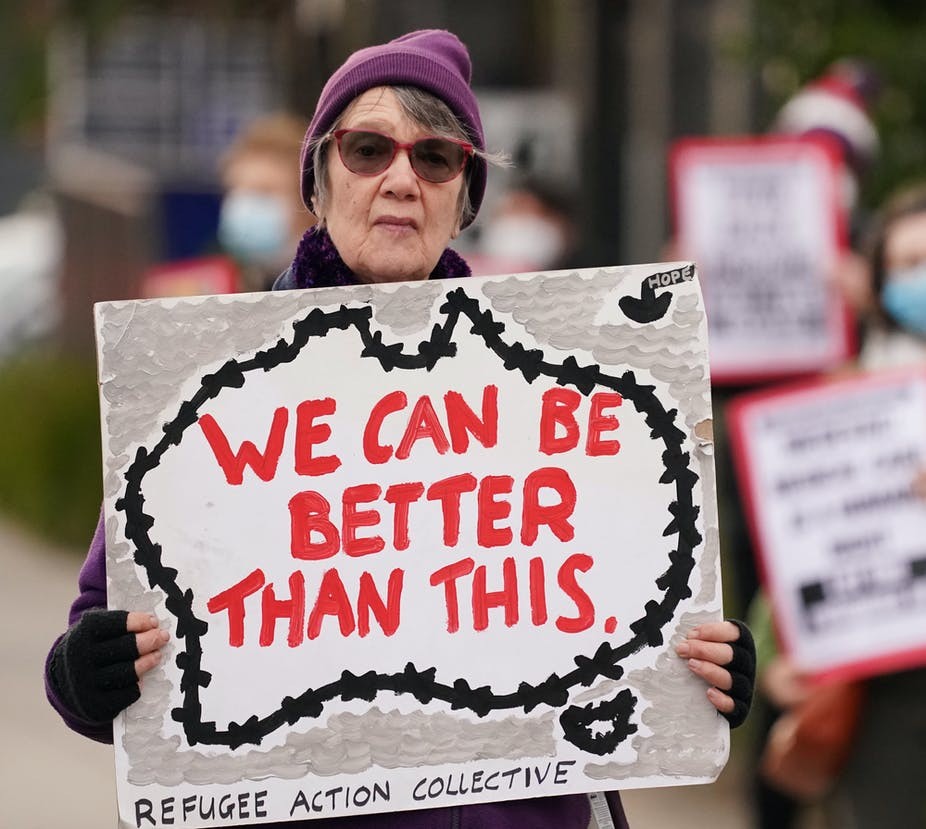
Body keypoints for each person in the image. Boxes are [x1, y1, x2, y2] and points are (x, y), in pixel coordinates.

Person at [44, 29, 754, 829]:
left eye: (436, 159)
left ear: (465, 198)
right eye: (369, 149)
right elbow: (100, 643)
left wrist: (702, 669)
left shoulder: (552, 382)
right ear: (317, 181)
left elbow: (632, 606)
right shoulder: (213, 386)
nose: (401, 180)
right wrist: (88, 671)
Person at [752, 181, 926, 828]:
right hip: (881, 701)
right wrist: (775, 657)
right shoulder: (842, 397)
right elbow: (801, 540)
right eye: (907, 264)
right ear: (876, 284)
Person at [217, 112, 317, 291]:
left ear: (309, 201)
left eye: (263, 191)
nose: (244, 204)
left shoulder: (328, 287)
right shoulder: (215, 280)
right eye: (236, 189)